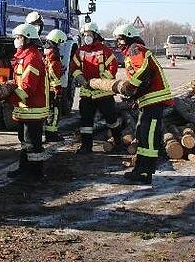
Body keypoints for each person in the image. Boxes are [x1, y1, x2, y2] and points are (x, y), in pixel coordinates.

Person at [110, 24, 174, 185]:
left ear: (129, 36)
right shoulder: (133, 51)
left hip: (154, 100)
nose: (118, 43)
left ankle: (145, 173)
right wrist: (134, 96)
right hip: (148, 101)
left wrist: (130, 87)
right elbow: (143, 79)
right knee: (142, 135)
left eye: (120, 39)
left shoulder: (135, 49)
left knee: (149, 138)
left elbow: (143, 71)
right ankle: (140, 170)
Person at [6, 23, 49, 180]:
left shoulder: (32, 58)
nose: (16, 41)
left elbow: (28, 87)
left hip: (33, 109)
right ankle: (24, 169)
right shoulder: (23, 56)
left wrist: (10, 97)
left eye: (18, 38)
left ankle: (35, 173)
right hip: (25, 108)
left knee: (32, 143)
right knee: (24, 141)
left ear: (27, 39)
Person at [70, 22, 120, 153]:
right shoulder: (80, 51)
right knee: (86, 121)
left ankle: (118, 143)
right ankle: (86, 146)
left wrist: (101, 81)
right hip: (87, 93)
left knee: (111, 119)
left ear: (96, 35)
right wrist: (80, 78)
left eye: (89, 34)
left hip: (104, 93)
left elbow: (113, 67)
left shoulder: (104, 50)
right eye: (85, 35)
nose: (87, 37)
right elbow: (74, 68)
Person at [43, 28, 71, 143]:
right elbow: (53, 73)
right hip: (52, 89)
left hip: (45, 87)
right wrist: (57, 90)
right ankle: (52, 134)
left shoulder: (45, 51)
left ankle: (49, 133)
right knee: (54, 112)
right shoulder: (54, 54)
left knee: (48, 111)